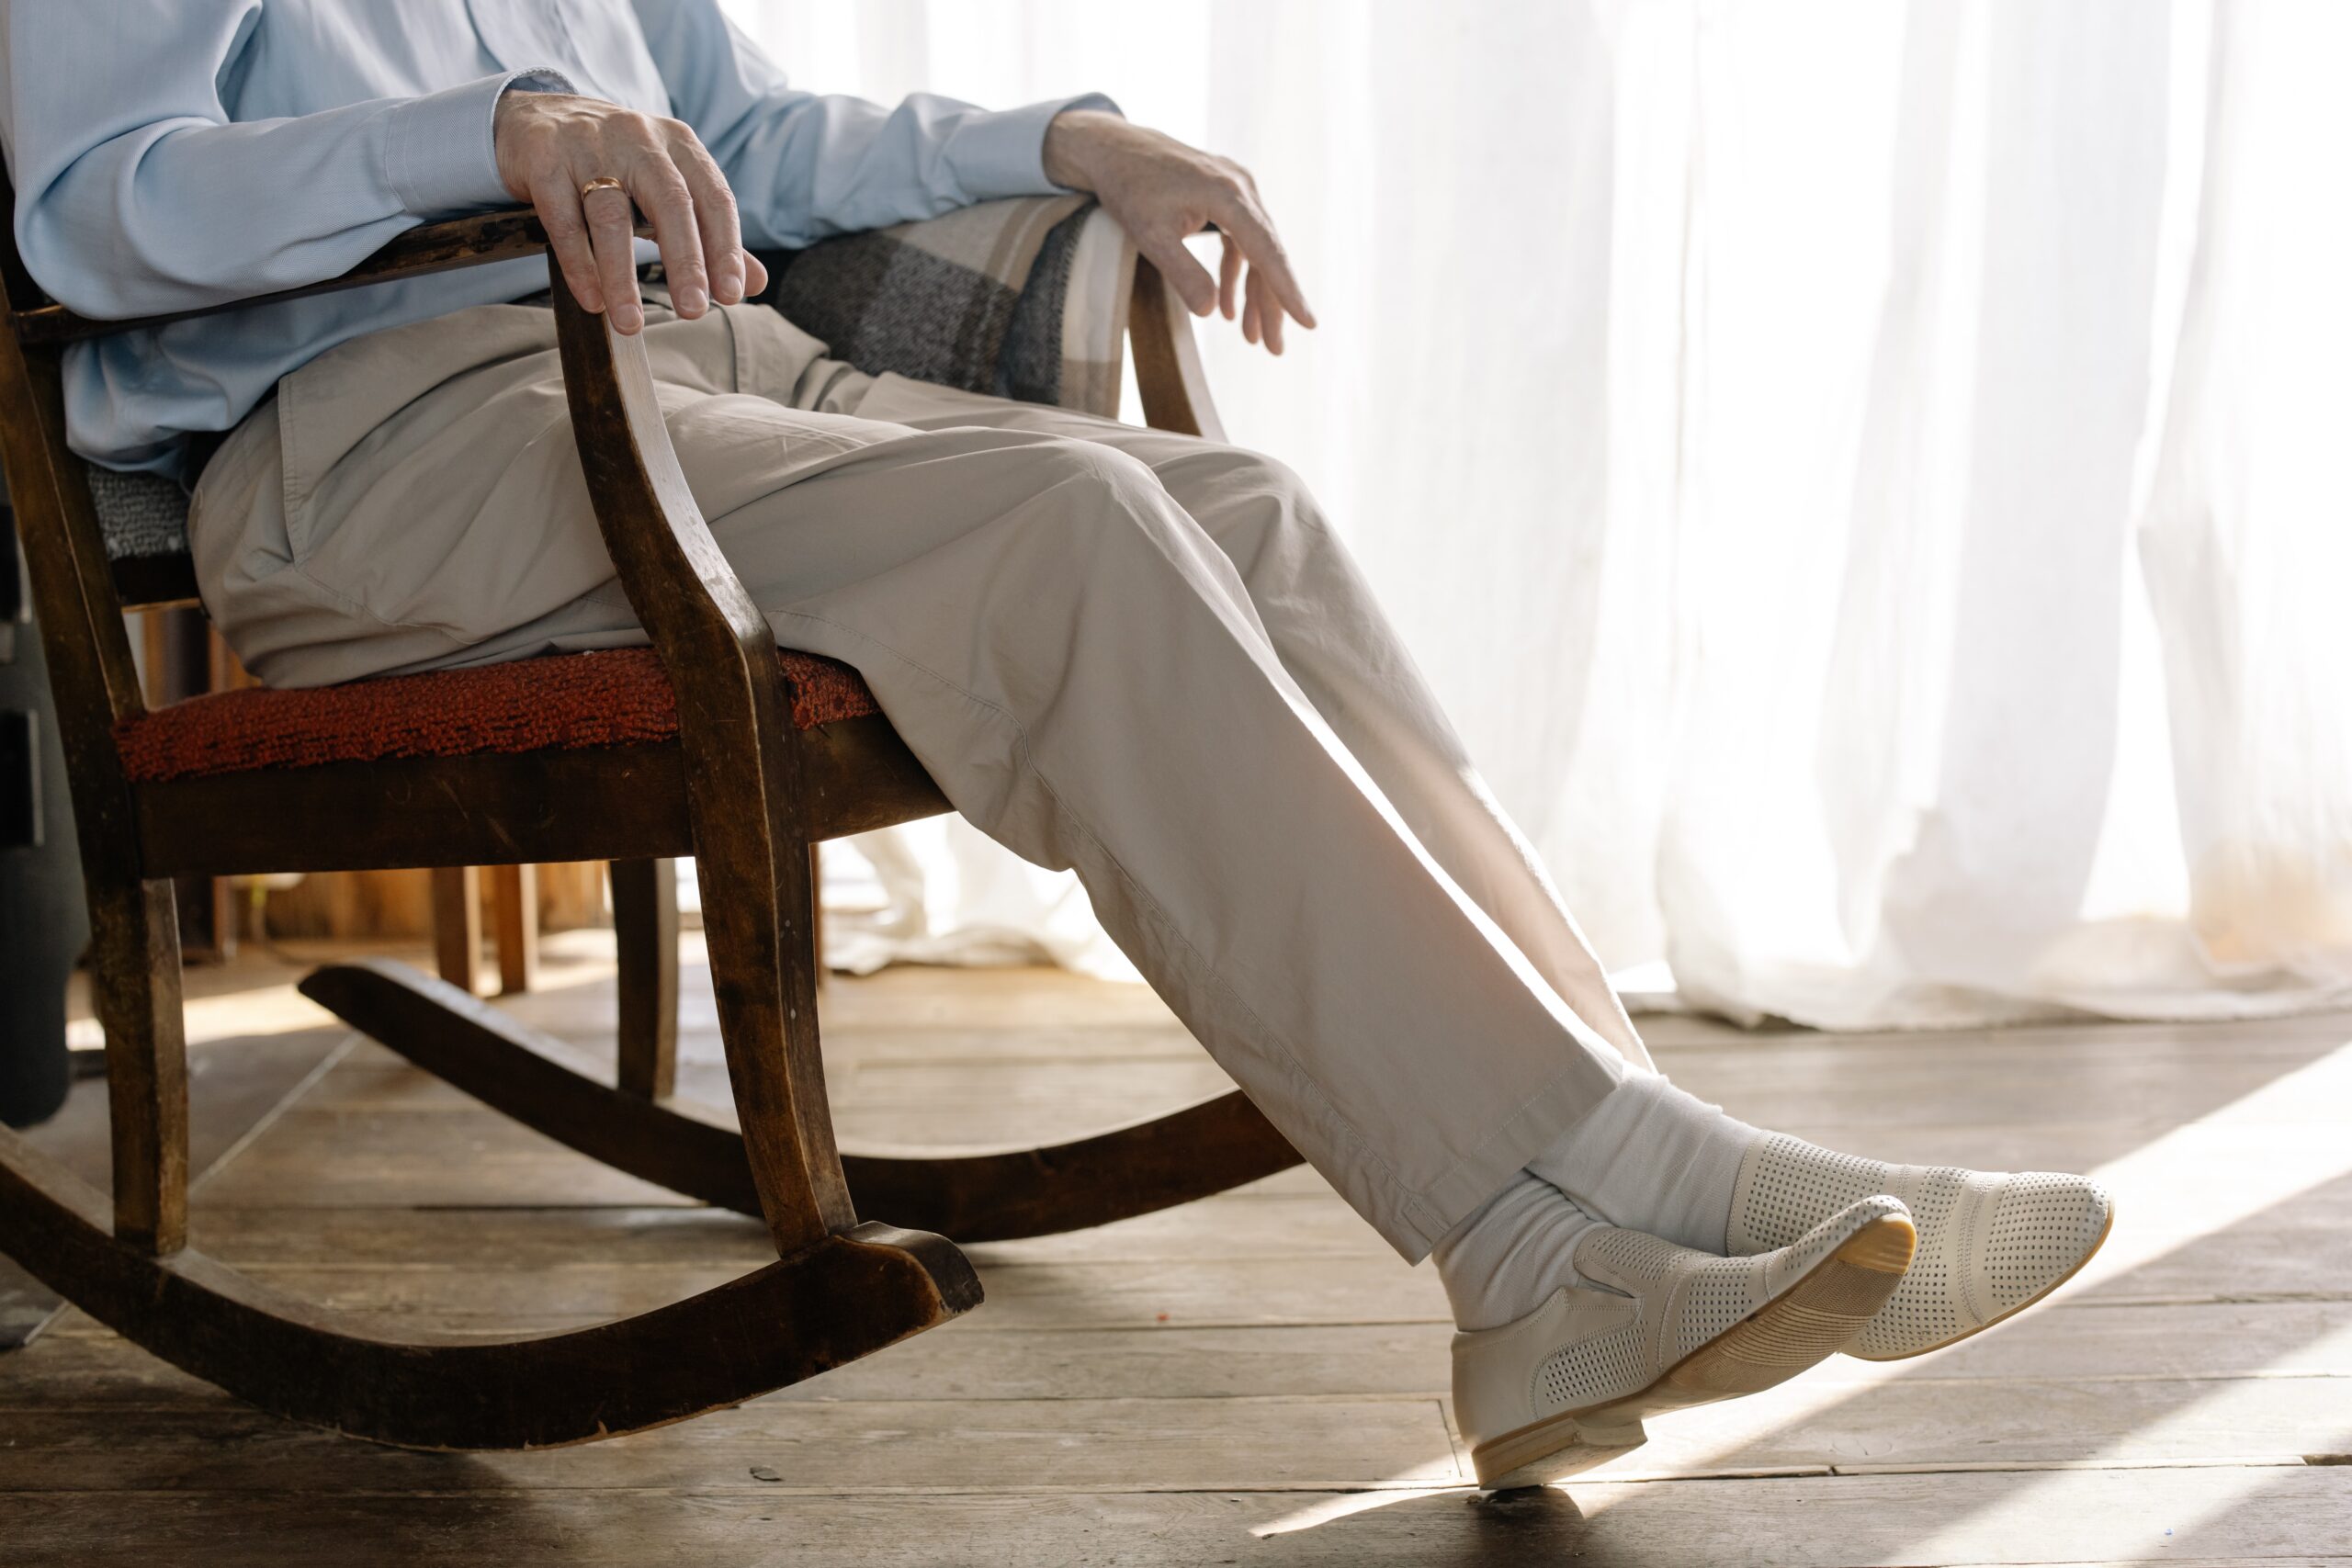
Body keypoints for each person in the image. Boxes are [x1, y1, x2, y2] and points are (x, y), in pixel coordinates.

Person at [1, 0, 2110, 1491]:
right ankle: (1582, 1210)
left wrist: (1070, 142)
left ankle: (1587, 1193)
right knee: (1070, 524)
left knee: (1243, 507)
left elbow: (769, 134)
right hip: (382, 457)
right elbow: (91, 209)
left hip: (702, 372)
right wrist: (480, 134)